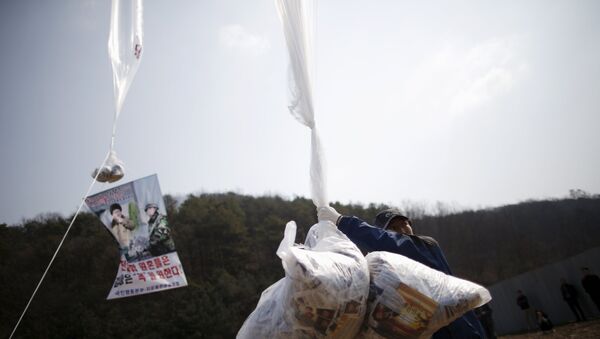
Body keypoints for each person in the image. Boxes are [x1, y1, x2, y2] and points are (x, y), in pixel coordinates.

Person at [317, 206, 486, 339]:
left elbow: (391, 242)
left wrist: (341, 221)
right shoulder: (386, 272)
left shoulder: (425, 245)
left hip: (460, 330)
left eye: (404, 224)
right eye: (394, 227)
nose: (402, 230)